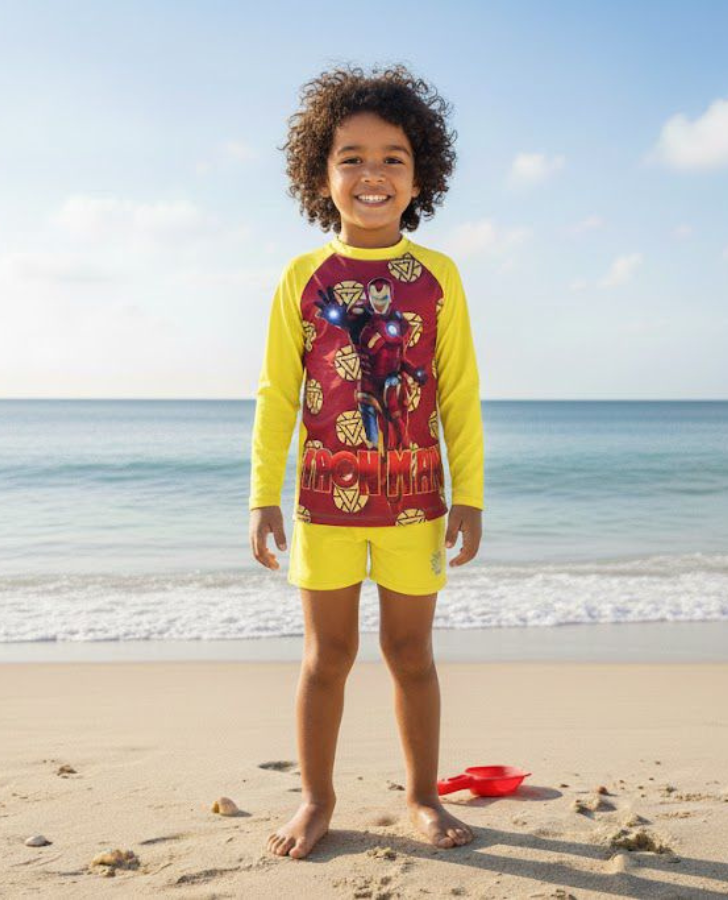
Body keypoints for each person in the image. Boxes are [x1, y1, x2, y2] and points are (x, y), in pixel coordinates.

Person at [249, 63, 484, 860]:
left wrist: (470, 494)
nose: (372, 174)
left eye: (392, 158)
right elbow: (278, 395)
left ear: (420, 176)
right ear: (322, 175)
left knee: (411, 654)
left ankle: (422, 795)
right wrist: (262, 495)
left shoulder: (439, 277)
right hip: (325, 503)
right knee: (328, 658)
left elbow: (459, 394)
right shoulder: (303, 277)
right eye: (351, 157)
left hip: (415, 501)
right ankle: (317, 799)